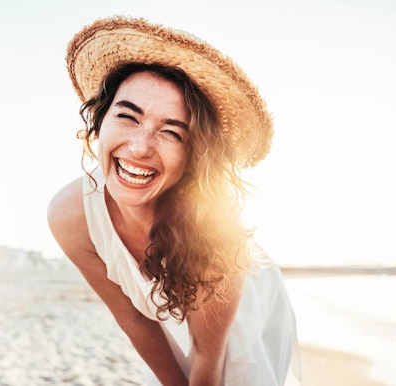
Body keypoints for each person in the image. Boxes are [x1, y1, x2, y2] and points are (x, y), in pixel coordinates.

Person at [48, 16, 301, 386]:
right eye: (127, 116)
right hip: (172, 320)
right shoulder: (70, 215)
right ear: (99, 123)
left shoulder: (216, 229)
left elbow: (207, 356)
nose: (139, 147)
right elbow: (134, 320)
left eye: (171, 132)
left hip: (244, 300)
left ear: (194, 155)